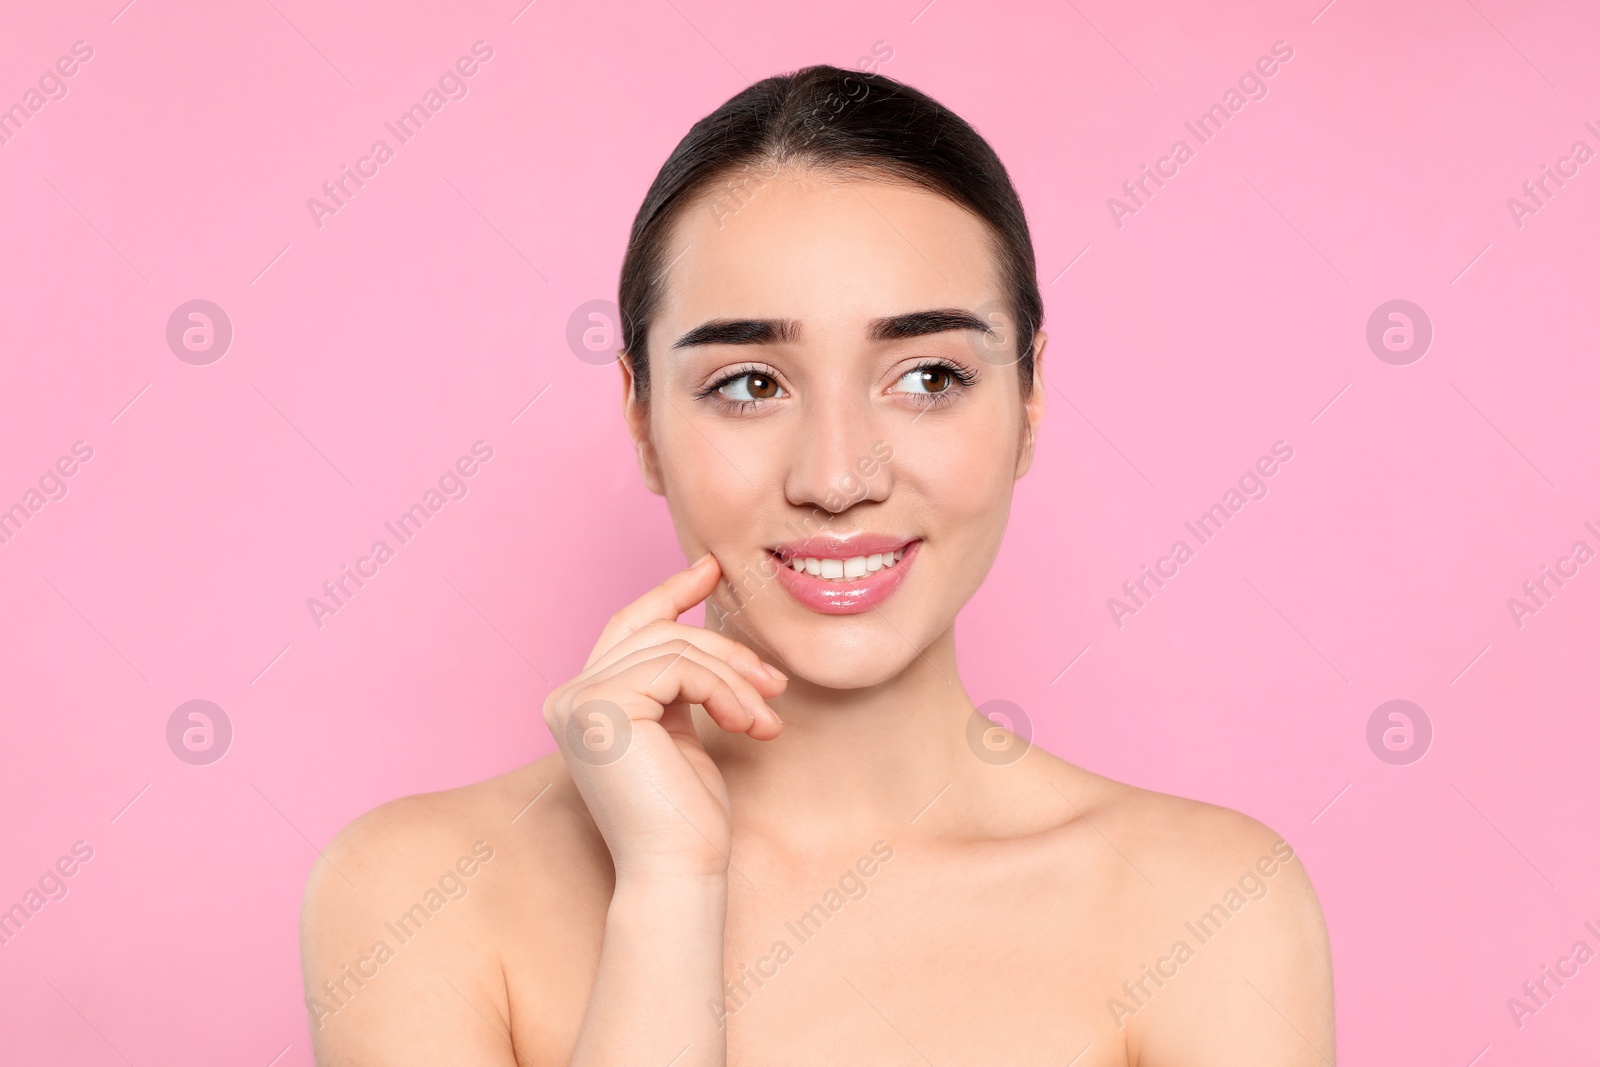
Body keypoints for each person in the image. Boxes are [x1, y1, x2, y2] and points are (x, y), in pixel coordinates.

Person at [300, 63, 1334, 1065]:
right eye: (749, 384)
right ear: (641, 419)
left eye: (928, 375)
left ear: (1026, 400)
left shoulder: (1209, 907)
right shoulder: (418, 895)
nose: (837, 477)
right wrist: (667, 886)